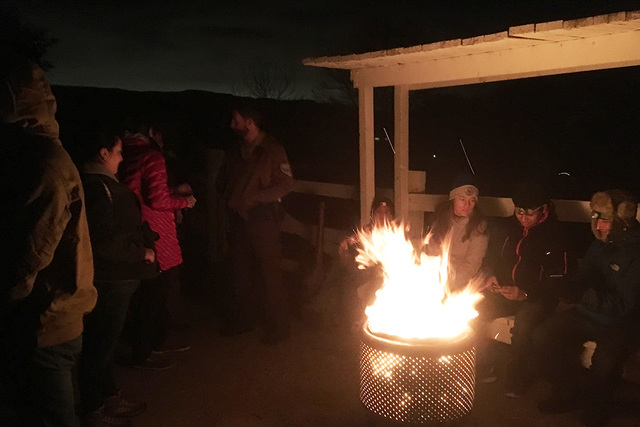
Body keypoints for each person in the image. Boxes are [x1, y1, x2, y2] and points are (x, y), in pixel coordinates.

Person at [0, 62, 97, 426]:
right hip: (46, 315)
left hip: (46, 322)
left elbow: (31, 253)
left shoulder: (44, 166)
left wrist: (7, 299)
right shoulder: (32, 157)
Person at [533, 189, 640, 426]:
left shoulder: (635, 251)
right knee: (544, 335)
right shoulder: (599, 246)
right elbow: (584, 278)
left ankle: (597, 405)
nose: (596, 224)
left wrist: (581, 295)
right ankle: (567, 391)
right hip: (589, 311)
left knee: (605, 361)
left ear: (622, 221)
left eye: (603, 219)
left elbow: (624, 304)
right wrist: (564, 283)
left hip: (622, 321)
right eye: (593, 217)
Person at [78, 126, 158, 425]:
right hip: (112, 279)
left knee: (104, 344)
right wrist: (141, 252)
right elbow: (103, 241)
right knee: (99, 346)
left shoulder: (101, 185)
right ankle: (93, 411)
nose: (122, 158)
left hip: (115, 278)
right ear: (103, 153)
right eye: (119, 152)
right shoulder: (99, 188)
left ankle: (108, 397)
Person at [476, 180, 576, 396]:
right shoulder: (508, 227)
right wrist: (491, 274)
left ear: (543, 209)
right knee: (477, 310)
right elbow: (492, 255)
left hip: (539, 296)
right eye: (519, 211)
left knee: (523, 326)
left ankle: (516, 378)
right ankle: (485, 365)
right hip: (504, 291)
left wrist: (526, 293)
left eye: (529, 213)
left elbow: (559, 278)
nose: (523, 218)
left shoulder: (556, 235)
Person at [119, 118, 196, 370]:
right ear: (152, 132)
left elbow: (141, 191)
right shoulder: (152, 156)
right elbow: (158, 199)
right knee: (156, 291)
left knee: (144, 291)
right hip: (156, 230)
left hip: (135, 226)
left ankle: (148, 342)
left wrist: (172, 190)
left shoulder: (125, 152)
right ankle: (146, 350)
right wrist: (185, 201)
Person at [216, 102, 294, 345]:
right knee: (240, 272)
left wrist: (255, 197)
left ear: (250, 122)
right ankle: (245, 320)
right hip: (239, 220)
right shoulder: (235, 150)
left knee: (270, 275)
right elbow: (223, 179)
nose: (232, 124)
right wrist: (230, 197)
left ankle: (280, 327)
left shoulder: (272, 150)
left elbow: (285, 184)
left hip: (263, 220)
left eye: (236, 120)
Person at [303, 197, 395, 332]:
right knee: (338, 269)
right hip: (362, 268)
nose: (382, 216)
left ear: (391, 215)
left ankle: (351, 321)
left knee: (348, 277)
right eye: (379, 212)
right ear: (373, 214)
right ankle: (324, 311)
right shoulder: (368, 229)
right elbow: (354, 239)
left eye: (386, 212)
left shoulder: (394, 234)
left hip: (380, 272)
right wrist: (346, 243)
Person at [425, 174, 489, 292]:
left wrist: (447, 283)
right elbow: (430, 250)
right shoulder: (441, 219)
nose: (467, 205)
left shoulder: (479, 228)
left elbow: (471, 265)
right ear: (453, 199)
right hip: (434, 278)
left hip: (461, 285)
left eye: (472, 201)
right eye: (462, 199)